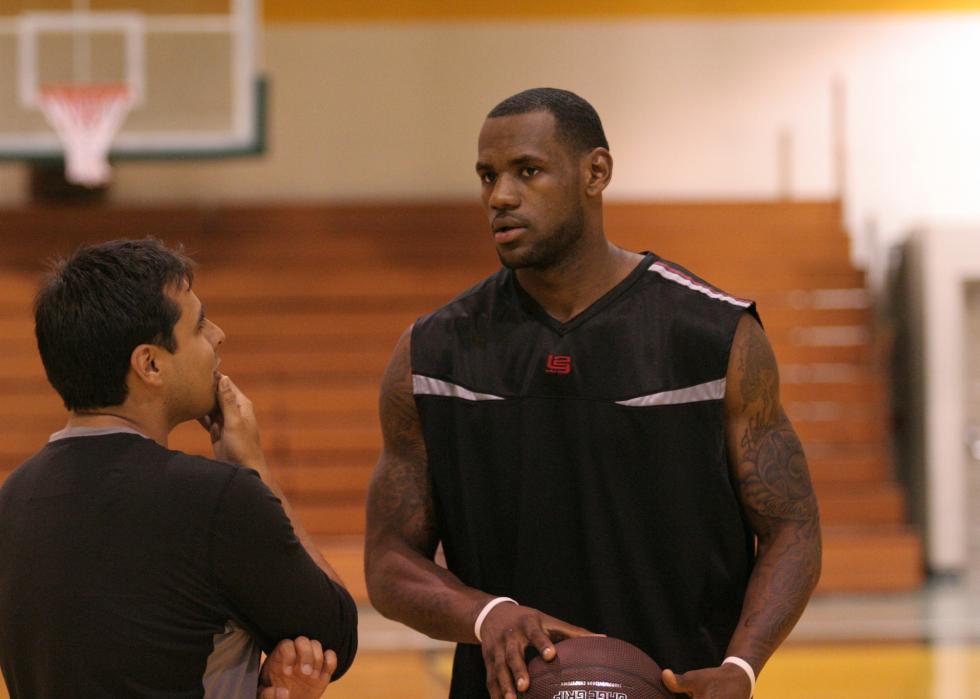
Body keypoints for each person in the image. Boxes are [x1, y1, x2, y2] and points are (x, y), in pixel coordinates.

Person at [364, 87, 821, 699]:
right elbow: (389, 559)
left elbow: (792, 527)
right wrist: (486, 614)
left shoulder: (714, 337)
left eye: (528, 171)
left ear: (595, 173)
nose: (500, 197)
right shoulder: (432, 354)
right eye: (488, 176)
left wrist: (741, 665)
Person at [0, 239, 357, 698]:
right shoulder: (217, 500)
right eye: (200, 325)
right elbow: (335, 636)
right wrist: (254, 468)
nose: (218, 335)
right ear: (150, 364)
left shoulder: (12, 500)